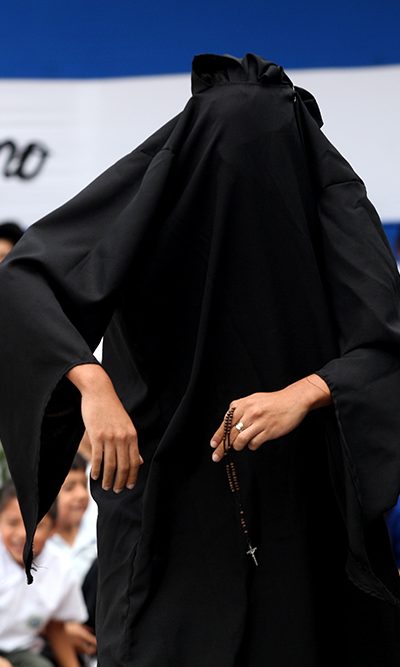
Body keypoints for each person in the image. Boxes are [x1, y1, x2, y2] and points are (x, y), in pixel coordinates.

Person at [1, 53, 400, 666]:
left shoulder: (331, 214)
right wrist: (93, 385)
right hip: (160, 505)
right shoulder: (151, 204)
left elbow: (387, 347)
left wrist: (306, 392)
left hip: (297, 516)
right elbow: (25, 286)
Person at [0, 481, 87, 667]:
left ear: (53, 529)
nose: (23, 534)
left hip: (22, 649)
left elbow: (56, 627)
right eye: (12, 523)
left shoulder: (61, 567)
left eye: (36, 525)